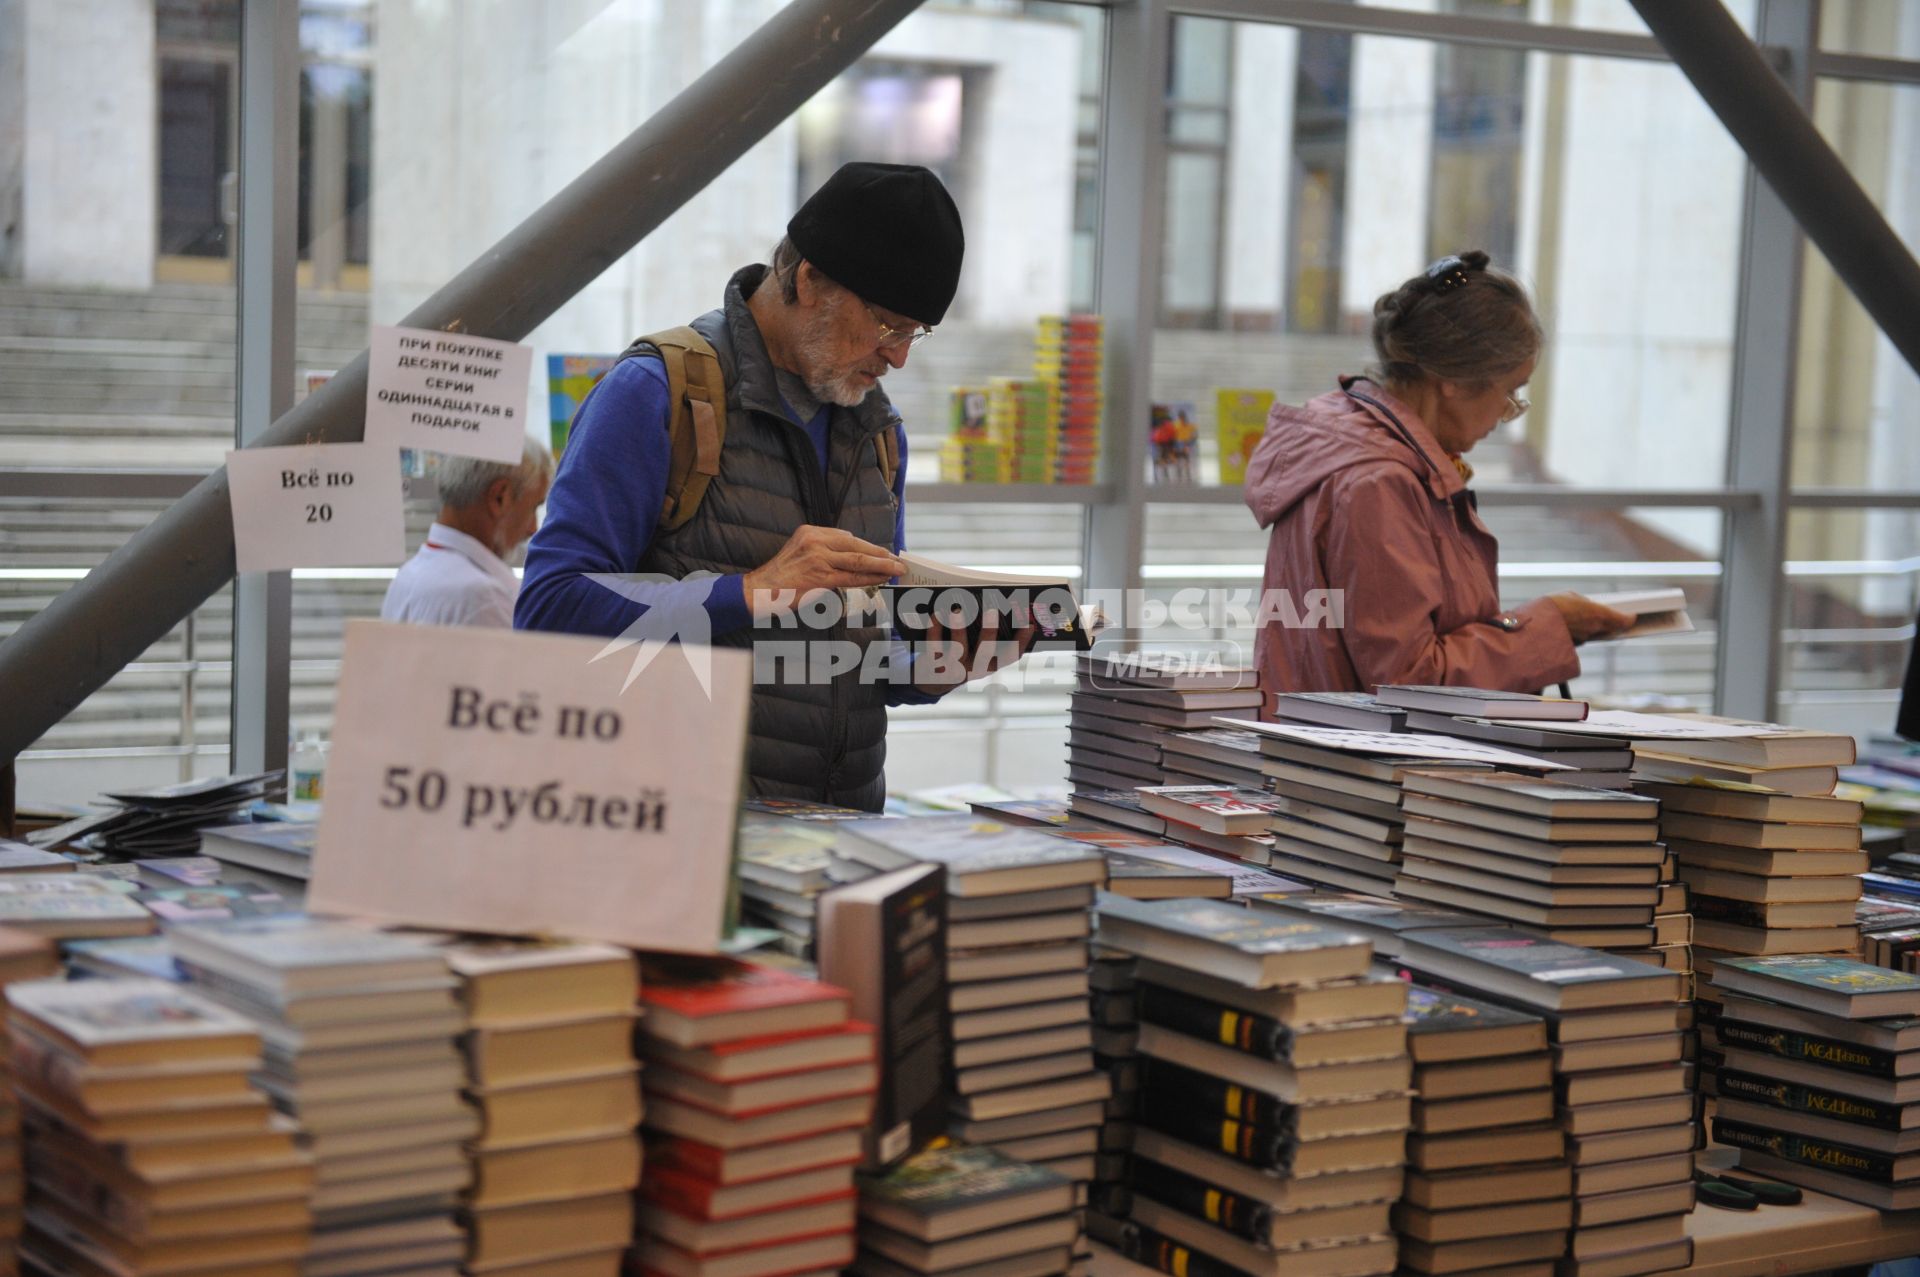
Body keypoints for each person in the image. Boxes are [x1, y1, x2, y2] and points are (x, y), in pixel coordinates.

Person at [516, 162, 1030, 810]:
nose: (898, 355)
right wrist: (747, 592)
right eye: (887, 324)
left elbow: (865, 655)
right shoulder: (656, 394)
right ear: (809, 279)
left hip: (839, 836)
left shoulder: (876, 431)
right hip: (678, 833)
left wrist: (943, 662)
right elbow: (548, 607)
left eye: (914, 333)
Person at [1244, 250, 1633, 699]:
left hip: (1322, 750)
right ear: (1452, 379)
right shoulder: (1377, 482)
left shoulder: (1359, 449)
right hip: (1363, 762)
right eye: (1510, 392)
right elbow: (1409, 681)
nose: (1509, 414)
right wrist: (1544, 627)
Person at [381, 440, 553, 629]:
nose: (533, 528)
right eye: (533, 507)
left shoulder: (406, 578)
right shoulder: (483, 597)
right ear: (500, 497)